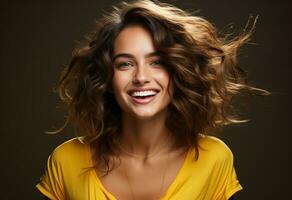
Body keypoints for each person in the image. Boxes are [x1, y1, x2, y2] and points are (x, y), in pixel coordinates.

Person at [36, 0, 269, 199]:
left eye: (156, 62)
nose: (141, 77)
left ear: (177, 71)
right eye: (125, 64)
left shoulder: (214, 159)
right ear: (107, 77)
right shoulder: (66, 161)